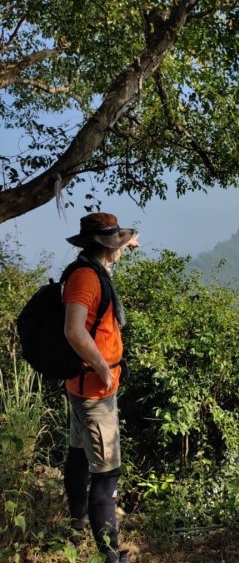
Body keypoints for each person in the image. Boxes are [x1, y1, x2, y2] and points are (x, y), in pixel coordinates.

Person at [62, 212, 139, 563]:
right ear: (104, 247)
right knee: (107, 473)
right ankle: (110, 555)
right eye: (117, 243)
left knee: (79, 454)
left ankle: (76, 524)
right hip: (94, 390)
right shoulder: (85, 280)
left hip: (86, 387)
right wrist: (101, 369)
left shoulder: (92, 269)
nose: (122, 247)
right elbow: (74, 331)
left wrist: (127, 240)